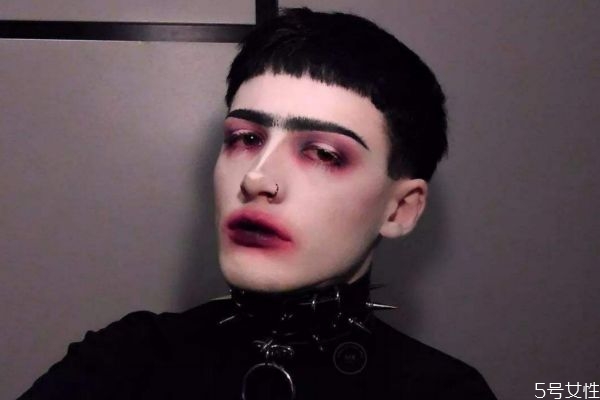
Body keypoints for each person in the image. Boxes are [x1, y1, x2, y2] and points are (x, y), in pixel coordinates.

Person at [19, 8, 497, 400]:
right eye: (245, 138)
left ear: (400, 210)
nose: (257, 178)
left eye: (323, 153)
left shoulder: (444, 393)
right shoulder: (124, 361)